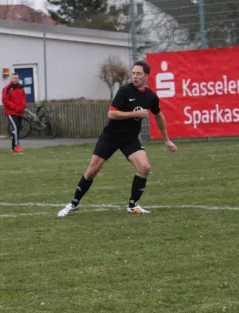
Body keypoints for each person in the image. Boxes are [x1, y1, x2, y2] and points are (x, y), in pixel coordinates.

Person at [57, 61, 177, 217]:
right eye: (133, 73)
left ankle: (133, 205)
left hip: (130, 139)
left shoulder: (151, 97)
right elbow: (112, 114)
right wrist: (135, 114)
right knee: (92, 171)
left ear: (146, 76)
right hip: (111, 137)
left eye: (139, 74)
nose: (135, 76)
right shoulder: (124, 91)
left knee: (144, 167)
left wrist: (166, 139)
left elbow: (159, 115)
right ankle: (74, 204)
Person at [2, 73, 27, 153]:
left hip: (19, 111)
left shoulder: (21, 87)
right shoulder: (7, 88)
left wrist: (22, 106)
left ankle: (13, 148)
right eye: (14, 78)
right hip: (11, 111)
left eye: (17, 78)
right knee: (15, 127)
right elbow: (5, 100)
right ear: (11, 79)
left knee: (18, 127)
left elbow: (24, 98)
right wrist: (15, 107)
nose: (16, 79)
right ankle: (16, 145)